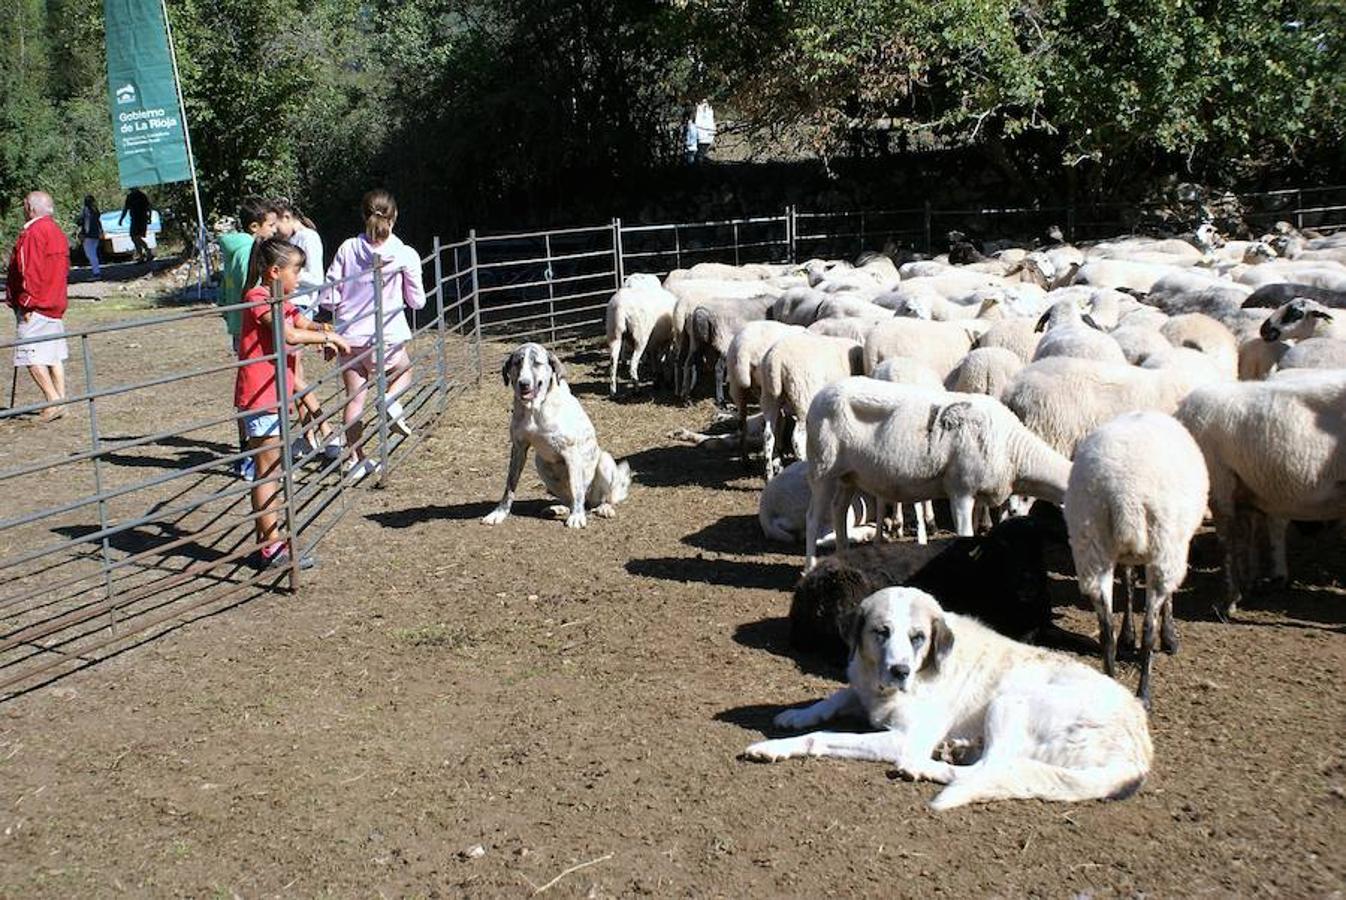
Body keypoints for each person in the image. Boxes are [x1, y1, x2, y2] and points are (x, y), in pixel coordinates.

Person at [235, 237, 349, 570]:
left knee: (273, 469)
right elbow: (291, 335)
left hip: (275, 395)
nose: (298, 279)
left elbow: (300, 323)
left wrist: (323, 327)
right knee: (267, 472)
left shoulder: (277, 297)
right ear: (274, 271)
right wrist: (331, 338)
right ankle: (270, 548)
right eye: (295, 272)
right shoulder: (257, 297)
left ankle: (270, 542)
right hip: (261, 396)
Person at [322, 189, 425, 483]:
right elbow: (417, 301)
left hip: (350, 338)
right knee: (404, 369)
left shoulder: (347, 248)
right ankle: (391, 400)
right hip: (386, 335)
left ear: (363, 215)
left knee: (354, 400)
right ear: (394, 217)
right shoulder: (405, 253)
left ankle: (356, 459)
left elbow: (329, 296)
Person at [273, 199, 339, 461]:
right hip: (291, 303)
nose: (277, 234)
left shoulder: (308, 238)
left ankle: (324, 430)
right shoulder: (297, 238)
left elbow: (316, 277)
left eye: (277, 227)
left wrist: (290, 279)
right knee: (293, 375)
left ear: (286, 217)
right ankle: (311, 435)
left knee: (292, 376)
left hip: (299, 306)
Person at [218, 198, 278, 479]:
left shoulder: (233, 251)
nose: (275, 231)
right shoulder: (248, 252)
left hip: (239, 325)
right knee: (254, 390)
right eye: (271, 225)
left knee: (251, 388)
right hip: (251, 327)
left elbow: (223, 290)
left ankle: (252, 452)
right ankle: (251, 455)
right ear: (255, 226)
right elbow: (252, 288)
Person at [5, 191, 70, 423]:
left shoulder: (33, 233)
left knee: (29, 353)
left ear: (31, 208)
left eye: (24, 205)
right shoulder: (57, 231)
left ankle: (53, 401)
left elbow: (28, 270)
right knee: (53, 354)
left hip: (38, 305)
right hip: (55, 302)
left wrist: (27, 302)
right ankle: (61, 399)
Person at [118, 187, 154, 264]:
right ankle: (144, 254)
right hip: (136, 219)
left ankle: (146, 253)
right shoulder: (135, 196)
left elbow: (148, 207)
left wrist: (149, 217)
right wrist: (121, 219)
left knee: (135, 237)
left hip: (140, 219)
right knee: (135, 237)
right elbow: (126, 208)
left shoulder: (139, 196)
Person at [78, 195, 103, 277]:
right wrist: (101, 231)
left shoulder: (86, 210)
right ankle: (96, 271)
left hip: (88, 235)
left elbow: (85, 222)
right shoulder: (95, 210)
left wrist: (85, 233)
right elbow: (98, 222)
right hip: (96, 234)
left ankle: (96, 273)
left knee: (90, 254)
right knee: (93, 253)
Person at [694, 99, 716, 163]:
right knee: (701, 153)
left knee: (702, 152)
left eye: (706, 102)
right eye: (703, 102)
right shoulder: (701, 111)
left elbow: (711, 123)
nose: (704, 105)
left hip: (706, 137)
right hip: (701, 137)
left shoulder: (708, 111)